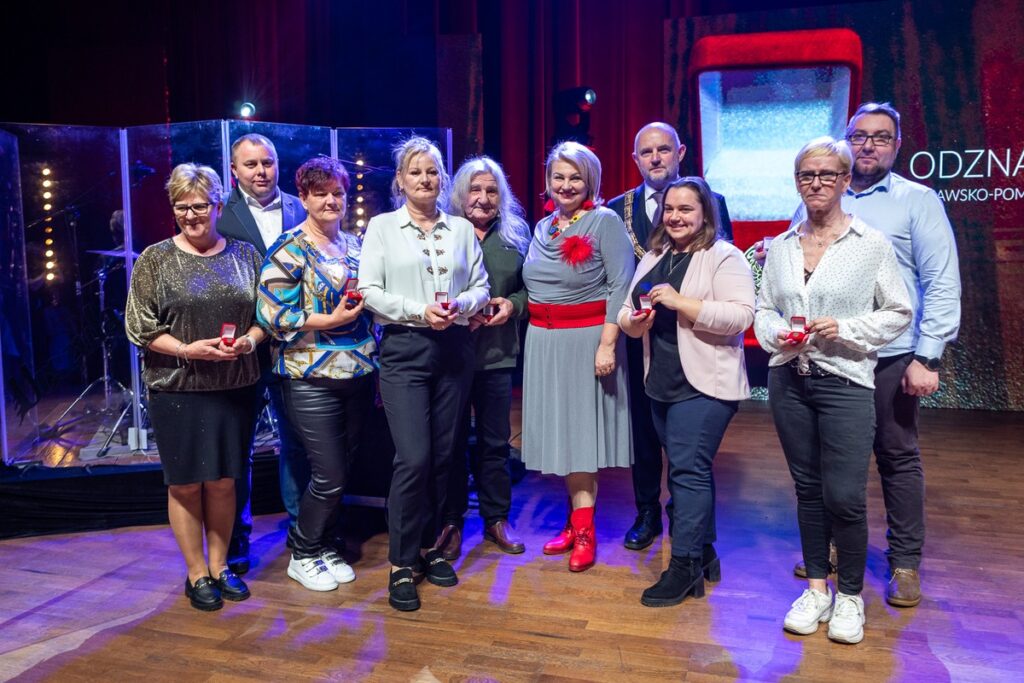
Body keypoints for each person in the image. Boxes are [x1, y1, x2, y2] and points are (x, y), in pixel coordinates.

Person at [780, 103, 962, 608]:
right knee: (827, 460)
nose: (868, 145)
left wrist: (929, 356)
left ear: (897, 144)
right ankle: (832, 549)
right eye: (859, 136)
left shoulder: (916, 201)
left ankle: (904, 562)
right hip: (827, 355)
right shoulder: (817, 197)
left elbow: (940, 282)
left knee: (896, 457)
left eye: (881, 138)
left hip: (891, 355)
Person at [755, 137, 911, 644]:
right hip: (789, 380)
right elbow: (764, 309)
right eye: (806, 175)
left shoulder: (871, 244)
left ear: (846, 180)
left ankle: (849, 597)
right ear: (797, 182)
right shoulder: (780, 246)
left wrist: (845, 329)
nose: (816, 184)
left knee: (844, 494)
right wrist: (776, 333)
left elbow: (898, 312)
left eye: (827, 175)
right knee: (808, 491)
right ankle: (817, 589)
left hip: (846, 381)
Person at [125, 164, 266, 611]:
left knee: (224, 482)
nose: (191, 215)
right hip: (177, 387)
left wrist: (250, 340)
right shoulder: (155, 259)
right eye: (182, 207)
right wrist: (188, 349)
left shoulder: (245, 255)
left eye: (200, 205)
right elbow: (139, 326)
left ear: (218, 206)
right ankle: (196, 573)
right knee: (186, 485)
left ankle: (221, 566)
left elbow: (267, 316)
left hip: (234, 385)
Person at [358, 137, 490, 611]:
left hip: (454, 348)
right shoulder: (382, 228)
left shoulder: (459, 229)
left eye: (433, 171)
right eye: (416, 172)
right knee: (412, 458)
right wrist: (419, 311)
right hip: (405, 350)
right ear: (400, 180)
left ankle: (431, 549)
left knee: (442, 455)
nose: (426, 179)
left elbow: (480, 285)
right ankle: (400, 564)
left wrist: (461, 305)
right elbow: (369, 290)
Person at [618, 176, 754, 607]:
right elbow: (626, 310)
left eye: (686, 209)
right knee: (689, 470)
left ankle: (684, 566)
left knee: (686, 472)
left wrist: (683, 304)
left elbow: (741, 317)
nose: (675, 216)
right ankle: (706, 552)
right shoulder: (654, 255)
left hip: (706, 385)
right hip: (660, 382)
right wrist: (632, 322)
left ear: (705, 214)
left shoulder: (724, 256)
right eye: (670, 209)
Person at [607, 122, 734, 551]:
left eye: (664, 149)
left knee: (686, 449)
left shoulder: (710, 202)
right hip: (640, 341)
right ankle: (647, 512)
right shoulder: (616, 207)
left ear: (679, 152)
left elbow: (723, 273)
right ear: (636, 159)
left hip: (694, 341)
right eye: (647, 152)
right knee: (643, 433)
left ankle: (689, 522)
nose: (656, 157)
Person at [257, 157, 376, 591]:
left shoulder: (358, 245)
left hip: (360, 373)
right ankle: (303, 551)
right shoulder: (289, 248)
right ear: (303, 197)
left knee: (342, 467)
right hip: (308, 376)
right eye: (320, 192)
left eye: (337, 192)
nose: (331, 200)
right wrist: (328, 321)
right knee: (327, 473)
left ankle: (325, 545)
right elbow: (271, 314)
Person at [521, 141, 635, 573]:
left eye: (575, 178)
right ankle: (575, 521)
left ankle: (585, 531)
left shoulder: (604, 222)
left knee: (582, 438)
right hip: (543, 342)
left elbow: (620, 286)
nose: (566, 185)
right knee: (564, 437)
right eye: (558, 177)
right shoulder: (542, 228)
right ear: (548, 180)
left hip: (585, 340)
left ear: (590, 181)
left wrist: (607, 345)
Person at [216, 133, 308, 574]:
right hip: (243, 348)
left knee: (297, 442)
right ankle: (236, 537)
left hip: (295, 345)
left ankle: (301, 531)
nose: (260, 171)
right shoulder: (223, 215)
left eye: (267, 162)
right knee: (239, 446)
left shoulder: (298, 205)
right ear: (234, 171)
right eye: (250, 165)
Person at [435, 156, 531, 561]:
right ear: (460, 193)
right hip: (449, 357)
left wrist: (512, 305)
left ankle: (496, 519)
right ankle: (452, 522)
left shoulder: (516, 236)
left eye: (492, 191)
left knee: (495, 443)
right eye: (475, 190)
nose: (483, 198)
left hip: (496, 356)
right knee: (451, 443)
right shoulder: (441, 232)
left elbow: (533, 290)